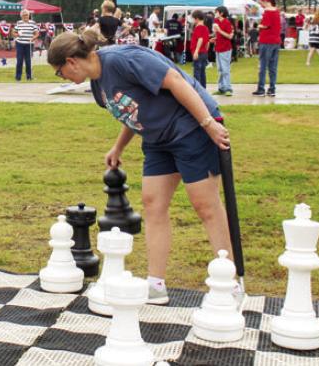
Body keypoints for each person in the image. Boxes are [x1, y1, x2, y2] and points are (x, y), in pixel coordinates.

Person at [47, 29, 232, 305]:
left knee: (206, 206)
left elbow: (176, 81)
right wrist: (118, 147)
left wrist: (208, 124)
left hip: (192, 128)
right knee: (153, 203)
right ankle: (156, 284)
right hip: (158, 139)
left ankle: (228, 283)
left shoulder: (123, 59)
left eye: (59, 72)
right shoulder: (98, 86)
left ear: (72, 61)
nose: (62, 78)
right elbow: (133, 111)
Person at [252, 0, 281, 97]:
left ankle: (261, 89)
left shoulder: (268, 12)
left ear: (266, 1)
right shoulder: (277, 11)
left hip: (266, 41)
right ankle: (272, 89)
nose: (261, 4)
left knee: (263, 66)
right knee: (273, 67)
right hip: (276, 41)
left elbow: (265, 25)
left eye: (261, 2)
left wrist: (258, 25)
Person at [12, 9, 39, 81]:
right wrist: (17, 34)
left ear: (29, 15)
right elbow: (13, 33)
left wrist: (33, 38)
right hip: (20, 44)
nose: (25, 16)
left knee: (28, 61)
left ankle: (29, 77)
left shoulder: (33, 23)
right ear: (21, 16)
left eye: (26, 15)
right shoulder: (19, 23)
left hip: (29, 44)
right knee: (19, 60)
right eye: (23, 15)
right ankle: (18, 77)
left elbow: (37, 33)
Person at [212, 6, 234, 96]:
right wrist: (215, 38)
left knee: (225, 69)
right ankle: (221, 88)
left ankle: (228, 88)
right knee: (220, 69)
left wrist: (219, 30)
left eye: (216, 12)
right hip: (218, 48)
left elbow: (229, 36)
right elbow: (219, 35)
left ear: (221, 13)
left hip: (225, 49)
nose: (215, 13)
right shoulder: (216, 21)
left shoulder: (227, 22)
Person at [190, 10, 209, 88]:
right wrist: (206, 50)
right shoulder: (205, 28)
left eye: (193, 19)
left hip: (198, 52)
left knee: (197, 72)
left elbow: (200, 39)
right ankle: (203, 88)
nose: (193, 21)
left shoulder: (198, 27)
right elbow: (207, 42)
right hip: (204, 52)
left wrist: (196, 51)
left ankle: (197, 89)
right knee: (202, 72)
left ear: (197, 19)